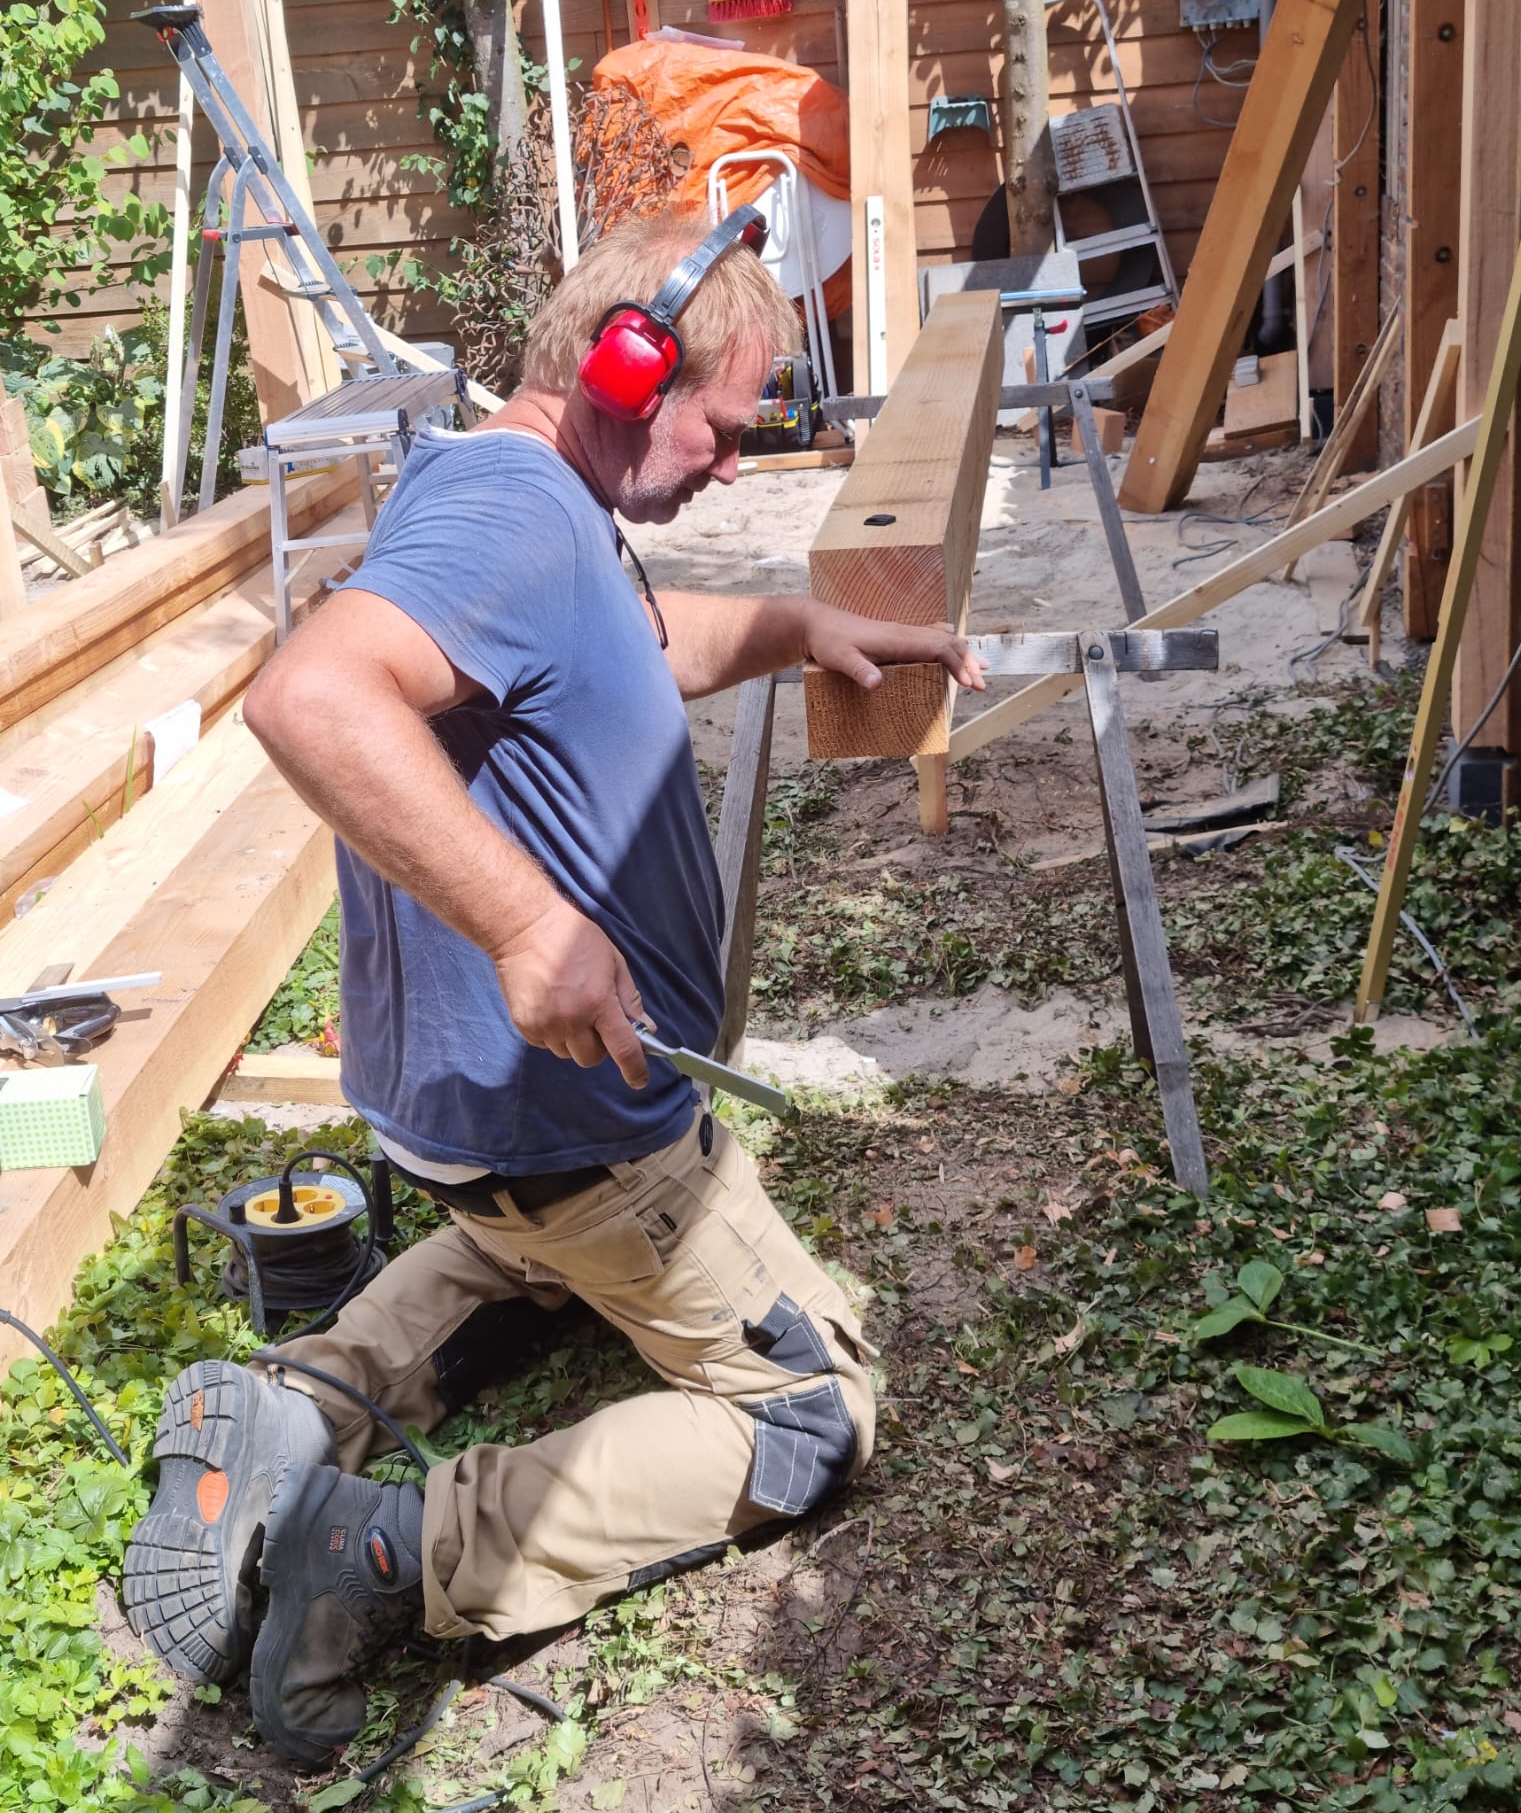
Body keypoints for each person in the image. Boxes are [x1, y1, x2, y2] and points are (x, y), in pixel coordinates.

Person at [123, 208, 985, 1769]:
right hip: (586, 1139)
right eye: (724, 426)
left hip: (478, 1145)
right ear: (624, 367)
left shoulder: (516, 493)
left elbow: (638, 650)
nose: (733, 461)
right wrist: (531, 925)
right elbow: (310, 697)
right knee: (817, 1407)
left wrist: (798, 624)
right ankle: (393, 1550)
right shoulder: (519, 519)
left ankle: (295, 1405)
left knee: (529, 1255)